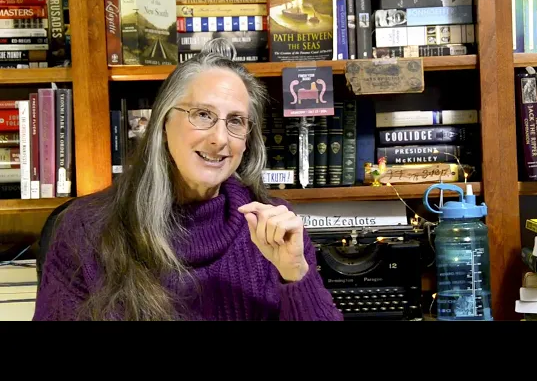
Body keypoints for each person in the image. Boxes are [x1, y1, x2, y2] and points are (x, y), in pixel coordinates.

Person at [33, 52, 343, 321]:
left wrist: (295, 273)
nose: (219, 139)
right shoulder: (86, 228)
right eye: (203, 115)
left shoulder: (275, 227)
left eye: (236, 121)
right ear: (164, 123)